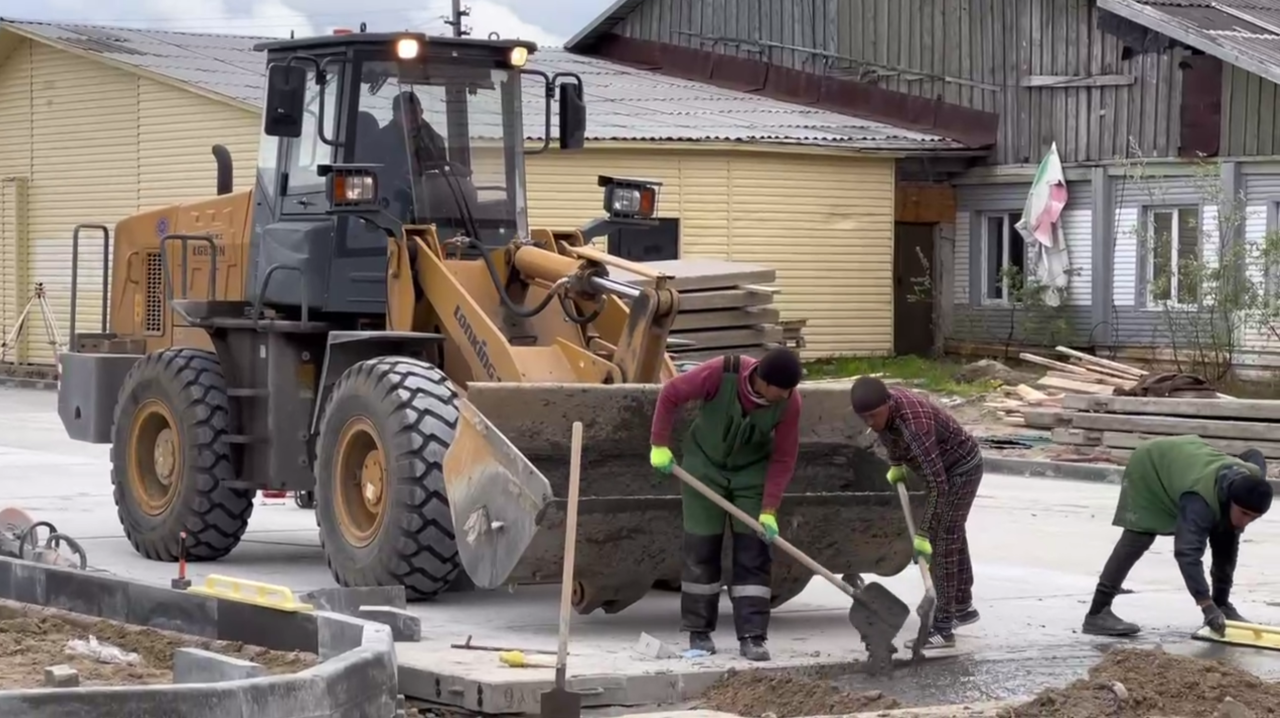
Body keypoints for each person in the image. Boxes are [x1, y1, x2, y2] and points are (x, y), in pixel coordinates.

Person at [648, 348, 804, 662]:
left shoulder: (790, 403)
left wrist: (769, 509)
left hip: (751, 476)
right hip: (703, 470)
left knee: (754, 551)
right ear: (764, 381)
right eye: (782, 389)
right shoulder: (722, 372)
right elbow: (671, 393)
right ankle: (699, 632)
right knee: (701, 549)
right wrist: (659, 444)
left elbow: (785, 457)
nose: (787, 394)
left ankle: (753, 637)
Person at [1082, 435, 1273, 637]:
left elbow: (1254, 454)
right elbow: (1187, 553)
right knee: (1139, 537)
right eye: (1243, 513)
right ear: (1232, 499)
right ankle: (1097, 613)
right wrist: (1206, 605)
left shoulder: (1252, 481)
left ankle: (1223, 604)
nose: (1245, 522)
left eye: (1254, 518)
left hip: (1189, 460)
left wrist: (1218, 603)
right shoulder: (1199, 500)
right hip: (1153, 463)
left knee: (1226, 537)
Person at [849, 376, 983, 650]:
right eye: (864, 418)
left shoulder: (915, 427)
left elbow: (938, 486)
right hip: (942, 469)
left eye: (873, 415)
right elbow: (890, 436)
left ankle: (944, 629)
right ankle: (963, 606)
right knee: (953, 531)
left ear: (887, 403)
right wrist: (896, 463)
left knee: (943, 540)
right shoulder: (886, 413)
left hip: (961, 470)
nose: (870, 423)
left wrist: (922, 534)